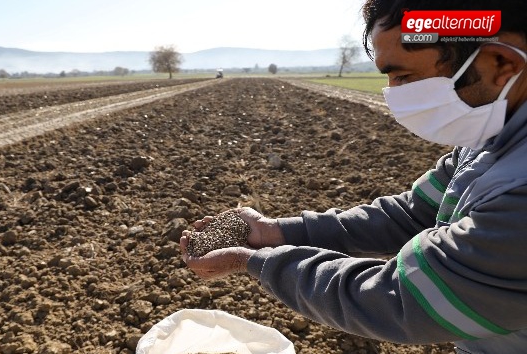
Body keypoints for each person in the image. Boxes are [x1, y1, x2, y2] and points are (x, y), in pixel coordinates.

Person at [180, 1, 527, 353]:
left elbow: (403, 300)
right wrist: (275, 231)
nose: (393, 93)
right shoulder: (489, 138)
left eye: (404, 76)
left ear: (501, 64)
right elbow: (413, 214)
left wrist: (251, 260)